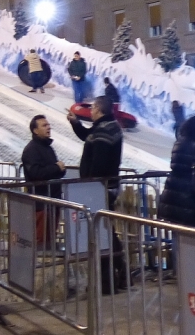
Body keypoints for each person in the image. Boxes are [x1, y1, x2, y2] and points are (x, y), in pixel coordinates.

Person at [67, 96, 126, 291]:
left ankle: (110, 279)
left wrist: (88, 184)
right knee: (106, 230)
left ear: (99, 110)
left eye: (92, 108)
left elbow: (99, 162)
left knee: (103, 233)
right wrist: (75, 124)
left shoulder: (104, 131)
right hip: (104, 186)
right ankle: (118, 273)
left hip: (100, 188)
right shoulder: (105, 126)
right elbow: (87, 135)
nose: (90, 111)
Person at [157, 114, 195, 227]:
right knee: (191, 236)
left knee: (178, 234)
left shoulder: (179, 142)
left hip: (173, 190)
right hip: (189, 196)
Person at [21, 115, 66, 245]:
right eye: (44, 125)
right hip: (41, 201)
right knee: (41, 240)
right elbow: (36, 173)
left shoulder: (48, 148)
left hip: (52, 199)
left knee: (49, 238)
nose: (48, 127)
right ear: (35, 130)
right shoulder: (31, 150)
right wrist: (56, 168)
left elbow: (54, 170)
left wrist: (60, 169)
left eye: (48, 125)